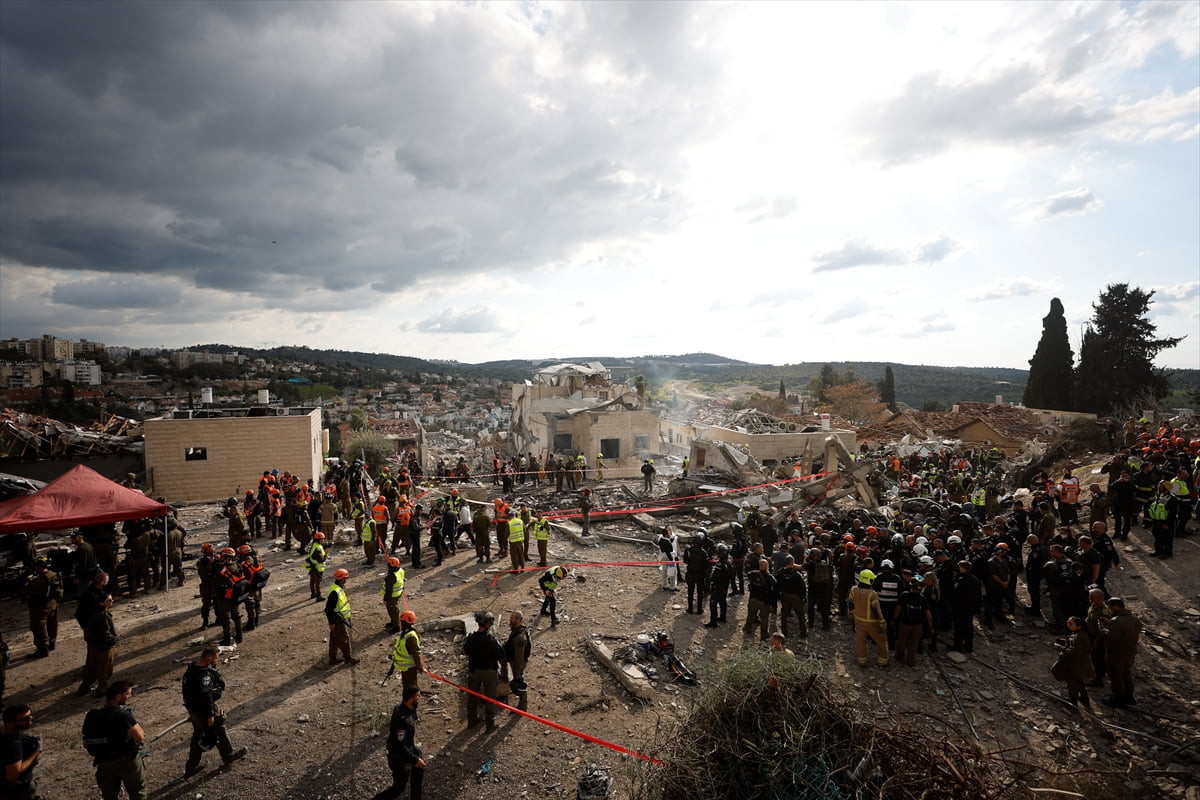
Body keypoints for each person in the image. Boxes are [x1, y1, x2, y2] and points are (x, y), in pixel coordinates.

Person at [181, 645, 247, 777]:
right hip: (203, 710)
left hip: (194, 709)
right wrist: (210, 714)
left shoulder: (192, 669)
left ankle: (191, 767)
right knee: (219, 726)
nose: (217, 660)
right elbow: (206, 696)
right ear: (209, 657)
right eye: (216, 658)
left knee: (199, 734)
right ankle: (227, 755)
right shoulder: (203, 676)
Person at [81, 681, 146, 800]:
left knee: (109, 796)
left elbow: (86, 743)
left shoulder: (92, 715)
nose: (130, 696)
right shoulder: (123, 715)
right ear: (118, 697)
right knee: (138, 794)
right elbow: (139, 737)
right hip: (127, 761)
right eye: (128, 694)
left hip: (104, 763)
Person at [371, 685, 425, 800]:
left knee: (418, 769)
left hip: (408, 747)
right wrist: (414, 759)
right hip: (397, 756)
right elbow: (400, 746)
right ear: (411, 698)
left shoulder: (409, 707)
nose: (420, 697)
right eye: (418, 695)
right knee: (399, 786)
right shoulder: (402, 719)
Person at [464, 611, 504, 732]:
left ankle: (471, 720)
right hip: (489, 673)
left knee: (472, 697)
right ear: (488, 624)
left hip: (474, 672)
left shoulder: (471, 638)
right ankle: (489, 725)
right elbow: (501, 654)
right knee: (490, 699)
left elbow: (466, 651)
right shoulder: (491, 640)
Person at [1101, 597, 1143, 708]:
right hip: (1130, 652)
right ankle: (1129, 697)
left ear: (1115, 606)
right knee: (1126, 674)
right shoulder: (1134, 619)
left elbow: (1111, 637)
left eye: (1110, 606)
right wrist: (1111, 624)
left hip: (1116, 654)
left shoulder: (1117, 621)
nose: (1109, 609)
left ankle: (1118, 699)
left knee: (1116, 676)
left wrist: (1103, 628)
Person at [78, 594, 117, 697]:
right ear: (101, 602)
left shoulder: (93, 611)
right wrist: (114, 640)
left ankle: (84, 688)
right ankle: (102, 690)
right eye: (109, 600)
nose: (111, 601)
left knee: (92, 669)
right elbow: (105, 633)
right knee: (105, 670)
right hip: (103, 647)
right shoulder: (102, 616)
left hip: (94, 645)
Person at [1051, 617, 1094, 708]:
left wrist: (1060, 648)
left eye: (1071, 624)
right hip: (1080, 663)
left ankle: (1073, 702)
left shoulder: (1078, 637)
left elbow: (1075, 653)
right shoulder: (1080, 634)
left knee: (1072, 682)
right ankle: (1085, 699)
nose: (1068, 625)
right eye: (1068, 623)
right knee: (1079, 680)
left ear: (1079, 626)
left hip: (1075, 664)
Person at [1, 704, 41, 800]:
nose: (30, 719)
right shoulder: (13, 743)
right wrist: (36, 752)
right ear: (10, 723)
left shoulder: (3, 733)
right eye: (25, 719)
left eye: (30, 715)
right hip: (15, 791)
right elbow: (13, 774)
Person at [849, 569, 888, 668]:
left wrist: (851, 613)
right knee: (881, 640)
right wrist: (881, 621)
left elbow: (850, 602)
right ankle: (882, 660)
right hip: (872, 622)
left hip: (858, 620)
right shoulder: (872, 594)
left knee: (860, 641)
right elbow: (876, 609)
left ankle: (862, 660)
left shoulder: (854, 589)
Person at [23, 559, 61, 659]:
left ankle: (42, 648)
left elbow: (25, 591)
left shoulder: (37, 580)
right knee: (52, 623)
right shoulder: (54, 575)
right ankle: (52, 643)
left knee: (38, 626)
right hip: (53, 603)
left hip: (40, 606)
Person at [894, 578, 933, 667]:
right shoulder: (923, 599)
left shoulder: (904, 595)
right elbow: (928, 614)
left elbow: (898, 609)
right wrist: (931, 626)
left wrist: (894, 619)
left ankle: (899, 658)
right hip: (917, 625)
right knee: (914, 643)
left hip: (905, 623)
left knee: (902, 641)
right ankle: (911, 661)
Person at [325, 569, 359, 666]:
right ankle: (348, 658)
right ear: (342, 579)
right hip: (337, 620)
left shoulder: (338, 587)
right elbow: (328, 609)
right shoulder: (335, 592)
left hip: (339, 618)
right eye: (345, 578)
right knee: (344, 639)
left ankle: (332, 658)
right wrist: (331, 623)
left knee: (334, 639)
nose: (346, 580)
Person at [214, 548, 247, 646]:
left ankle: (227, 638)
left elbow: (217, 583)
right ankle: (239, 635)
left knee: (225, 618)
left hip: (225, 597)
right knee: (236, 614)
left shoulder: (222, 570)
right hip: (235, 594)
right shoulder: (237, 566)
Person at [950, 560, 982, 654]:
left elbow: (956, 594)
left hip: (960, 607)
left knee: (959, 627)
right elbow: (978, 595)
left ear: (963, 568)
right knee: (968, 626)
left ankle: (957, 647)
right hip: (970, 608)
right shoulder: (975, 579)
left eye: (960, 567)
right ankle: (969, 646)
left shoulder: (961, 580)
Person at [502, 610, 531, 711]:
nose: (511, 619)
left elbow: (519, 657)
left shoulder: (520, 637)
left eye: (513, 618)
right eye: (511, 617)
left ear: (520, 620)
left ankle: (523, 704)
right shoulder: (517, 630)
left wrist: (517, 672)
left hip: (518, 662)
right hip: (514, 659)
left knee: (516, 682)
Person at [775, 556, 808, 640]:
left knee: (784, 614)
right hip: (795, 596)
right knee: (800, 614)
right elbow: (802, 586)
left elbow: (776, 584)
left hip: (784, 595)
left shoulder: (780, 572)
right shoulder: (796, 574)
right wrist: (803, 596)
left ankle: (784, 632)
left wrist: (778, 595)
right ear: (793, 563)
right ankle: (803, 632)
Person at [390, 610, 425, 689]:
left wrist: (420, 667)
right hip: (406, 667)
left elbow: (416, 653)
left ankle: (412, 699)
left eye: (401, 622)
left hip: (409, 667)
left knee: (410, 686)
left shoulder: (410, 636)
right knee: (408, 684)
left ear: (403, 623)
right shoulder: (406, 632)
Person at [744, 558, 777, 642]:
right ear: (767, 566)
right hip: (764, 601)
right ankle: (764, 635)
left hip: (753, 599)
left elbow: (748, 574)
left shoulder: (754, 574)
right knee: (764, 618)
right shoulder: (770, 577)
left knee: (751, 614)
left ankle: (748, 628)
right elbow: (775, 587)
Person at [704, 544, 735, 628]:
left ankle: (713, 622)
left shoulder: (719, 565)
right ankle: (722, 617)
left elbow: (713, 577)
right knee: (722, 601)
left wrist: (710, 580)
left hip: (718, 586)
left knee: (713, 603)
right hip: (725, 586)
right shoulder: (729, 563)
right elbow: (732, 575)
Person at [683, 536, 710, 615]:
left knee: (690, 592)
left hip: (691, 573)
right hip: (700, 575)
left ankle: (690, 609)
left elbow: (685, 561)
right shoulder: (704, 552)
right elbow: (706, 564)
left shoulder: (688, 550)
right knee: (700, 593)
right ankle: (699, 609)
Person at [382, 557, 406, 633]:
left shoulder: (390, 577)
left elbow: (389, 591)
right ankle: (393, 622)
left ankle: (396, 627)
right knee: (393, 610)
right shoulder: (400, 570)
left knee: (393, 611)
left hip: (392, 596)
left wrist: (386, 599)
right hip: (399, 593)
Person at [304, 532, 327, 600]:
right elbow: (321, 560)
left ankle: (313, 594)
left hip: (313, 566)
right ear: (318, 540)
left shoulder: (314, 545)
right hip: (317, 568)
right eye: (322, 539)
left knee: (312, 581)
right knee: (317, 583)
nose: (323, 540)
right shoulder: (318, 548)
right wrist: (325, 555)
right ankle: (318, 596)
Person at [657, 527, 679, 591]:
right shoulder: (666, 541)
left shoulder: (661, 539)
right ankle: (672, 586)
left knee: (665, 571)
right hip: (668, 556)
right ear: (666, 534)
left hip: (663, 556)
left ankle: (665, 585)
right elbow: (668, 550)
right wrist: (671, 559)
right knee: (672, 571)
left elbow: (667, 542)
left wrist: (672, 539)